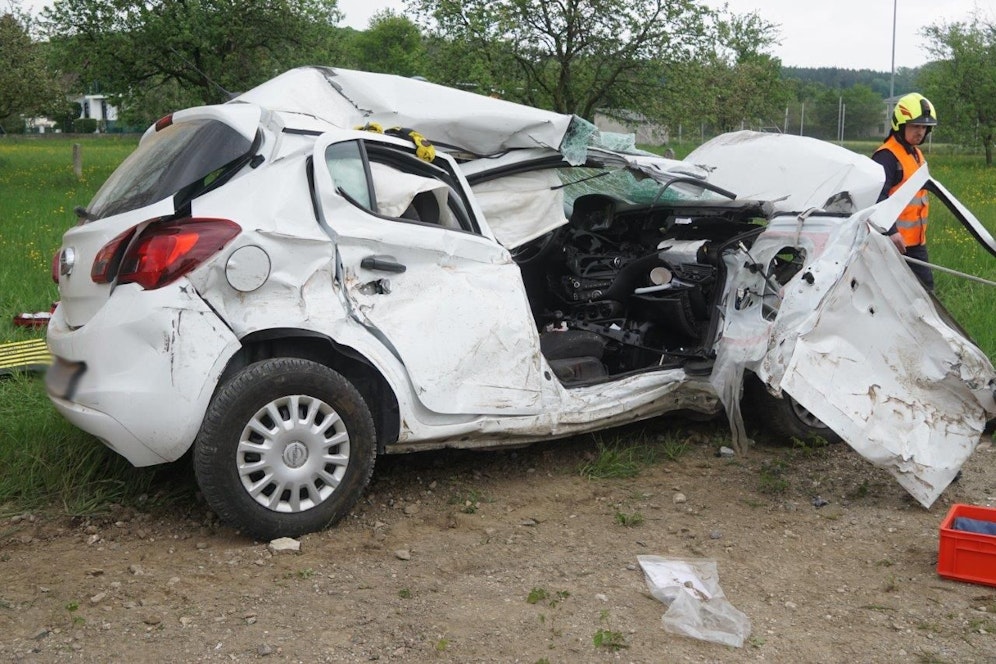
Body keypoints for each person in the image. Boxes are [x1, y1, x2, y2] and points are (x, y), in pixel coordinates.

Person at [872, 92, 938, 290]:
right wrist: (890, 232)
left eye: (924, 127)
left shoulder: (915, 153)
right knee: (893, 293)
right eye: (915, 126)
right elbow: (877, 197)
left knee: (925, 292)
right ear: (900, 125)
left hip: (915, 242)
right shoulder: (887, 156)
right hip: (894, 243)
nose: (920, 131)